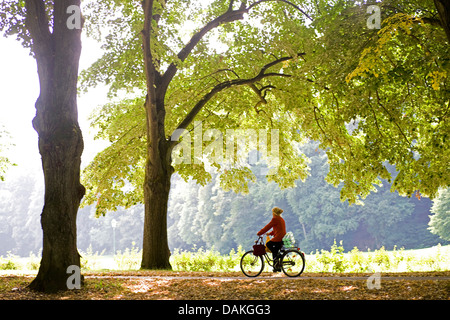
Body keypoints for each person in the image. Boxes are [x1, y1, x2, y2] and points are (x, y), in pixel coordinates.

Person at [257, 207, 286, 271]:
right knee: (275, 252)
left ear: (274, 213)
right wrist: (269, 233)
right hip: (281, 237)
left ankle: (278, 258)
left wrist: (260, 233)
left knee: (268, 244)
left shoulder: (275, 219)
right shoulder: (281, 219)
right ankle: (276, 267)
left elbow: (267, 226)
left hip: (279, 238)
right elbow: (277, 230)